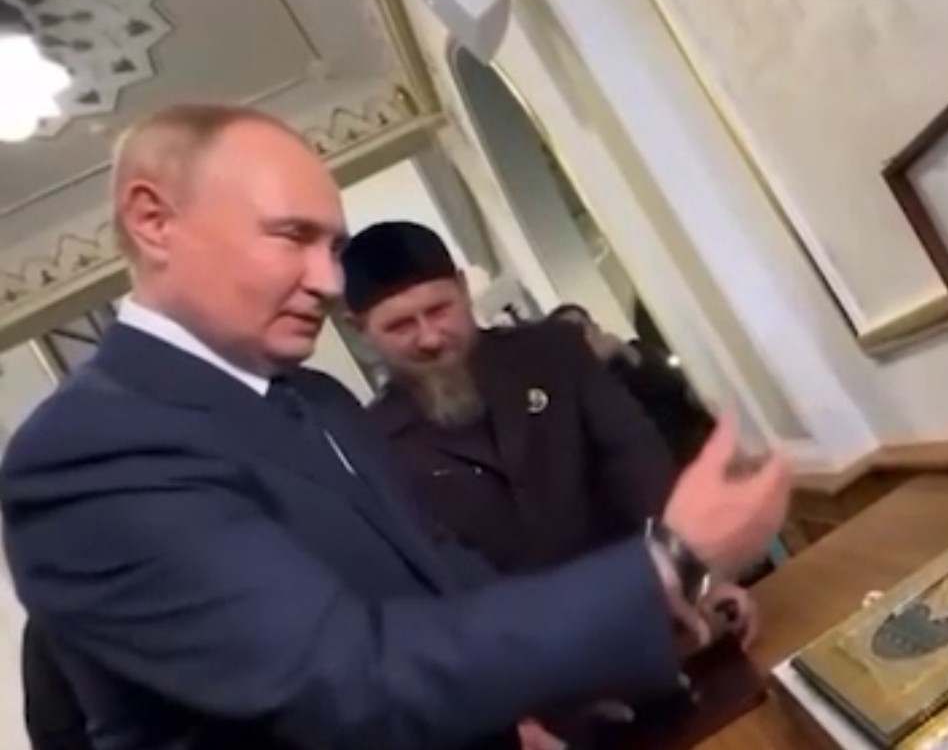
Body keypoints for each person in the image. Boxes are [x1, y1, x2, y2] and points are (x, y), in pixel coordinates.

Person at [1, 103, 790, 750]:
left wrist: (614, 648)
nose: (328, 281)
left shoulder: (316, 399)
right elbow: (345, 685)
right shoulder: (86, 456)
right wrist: (662, 566)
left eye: (334, 247)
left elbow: (442, 573)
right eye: (291, 236)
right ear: (154, 221)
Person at [347, 221, 678, 575]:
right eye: (401, 326)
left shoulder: (554, 353)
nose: (430, 338)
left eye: (439, 310)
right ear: (360, 330)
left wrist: (677, 565)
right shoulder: (374, 443)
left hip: (646, 581)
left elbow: (636, 459)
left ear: (462, 288)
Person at [549, 304, 716, 468]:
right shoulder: (577, 398)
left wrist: (624, 351)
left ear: (595, 328)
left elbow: (674, 385)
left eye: (580, 328)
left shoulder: (635, 352)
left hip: (702, 442)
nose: (580, 339)